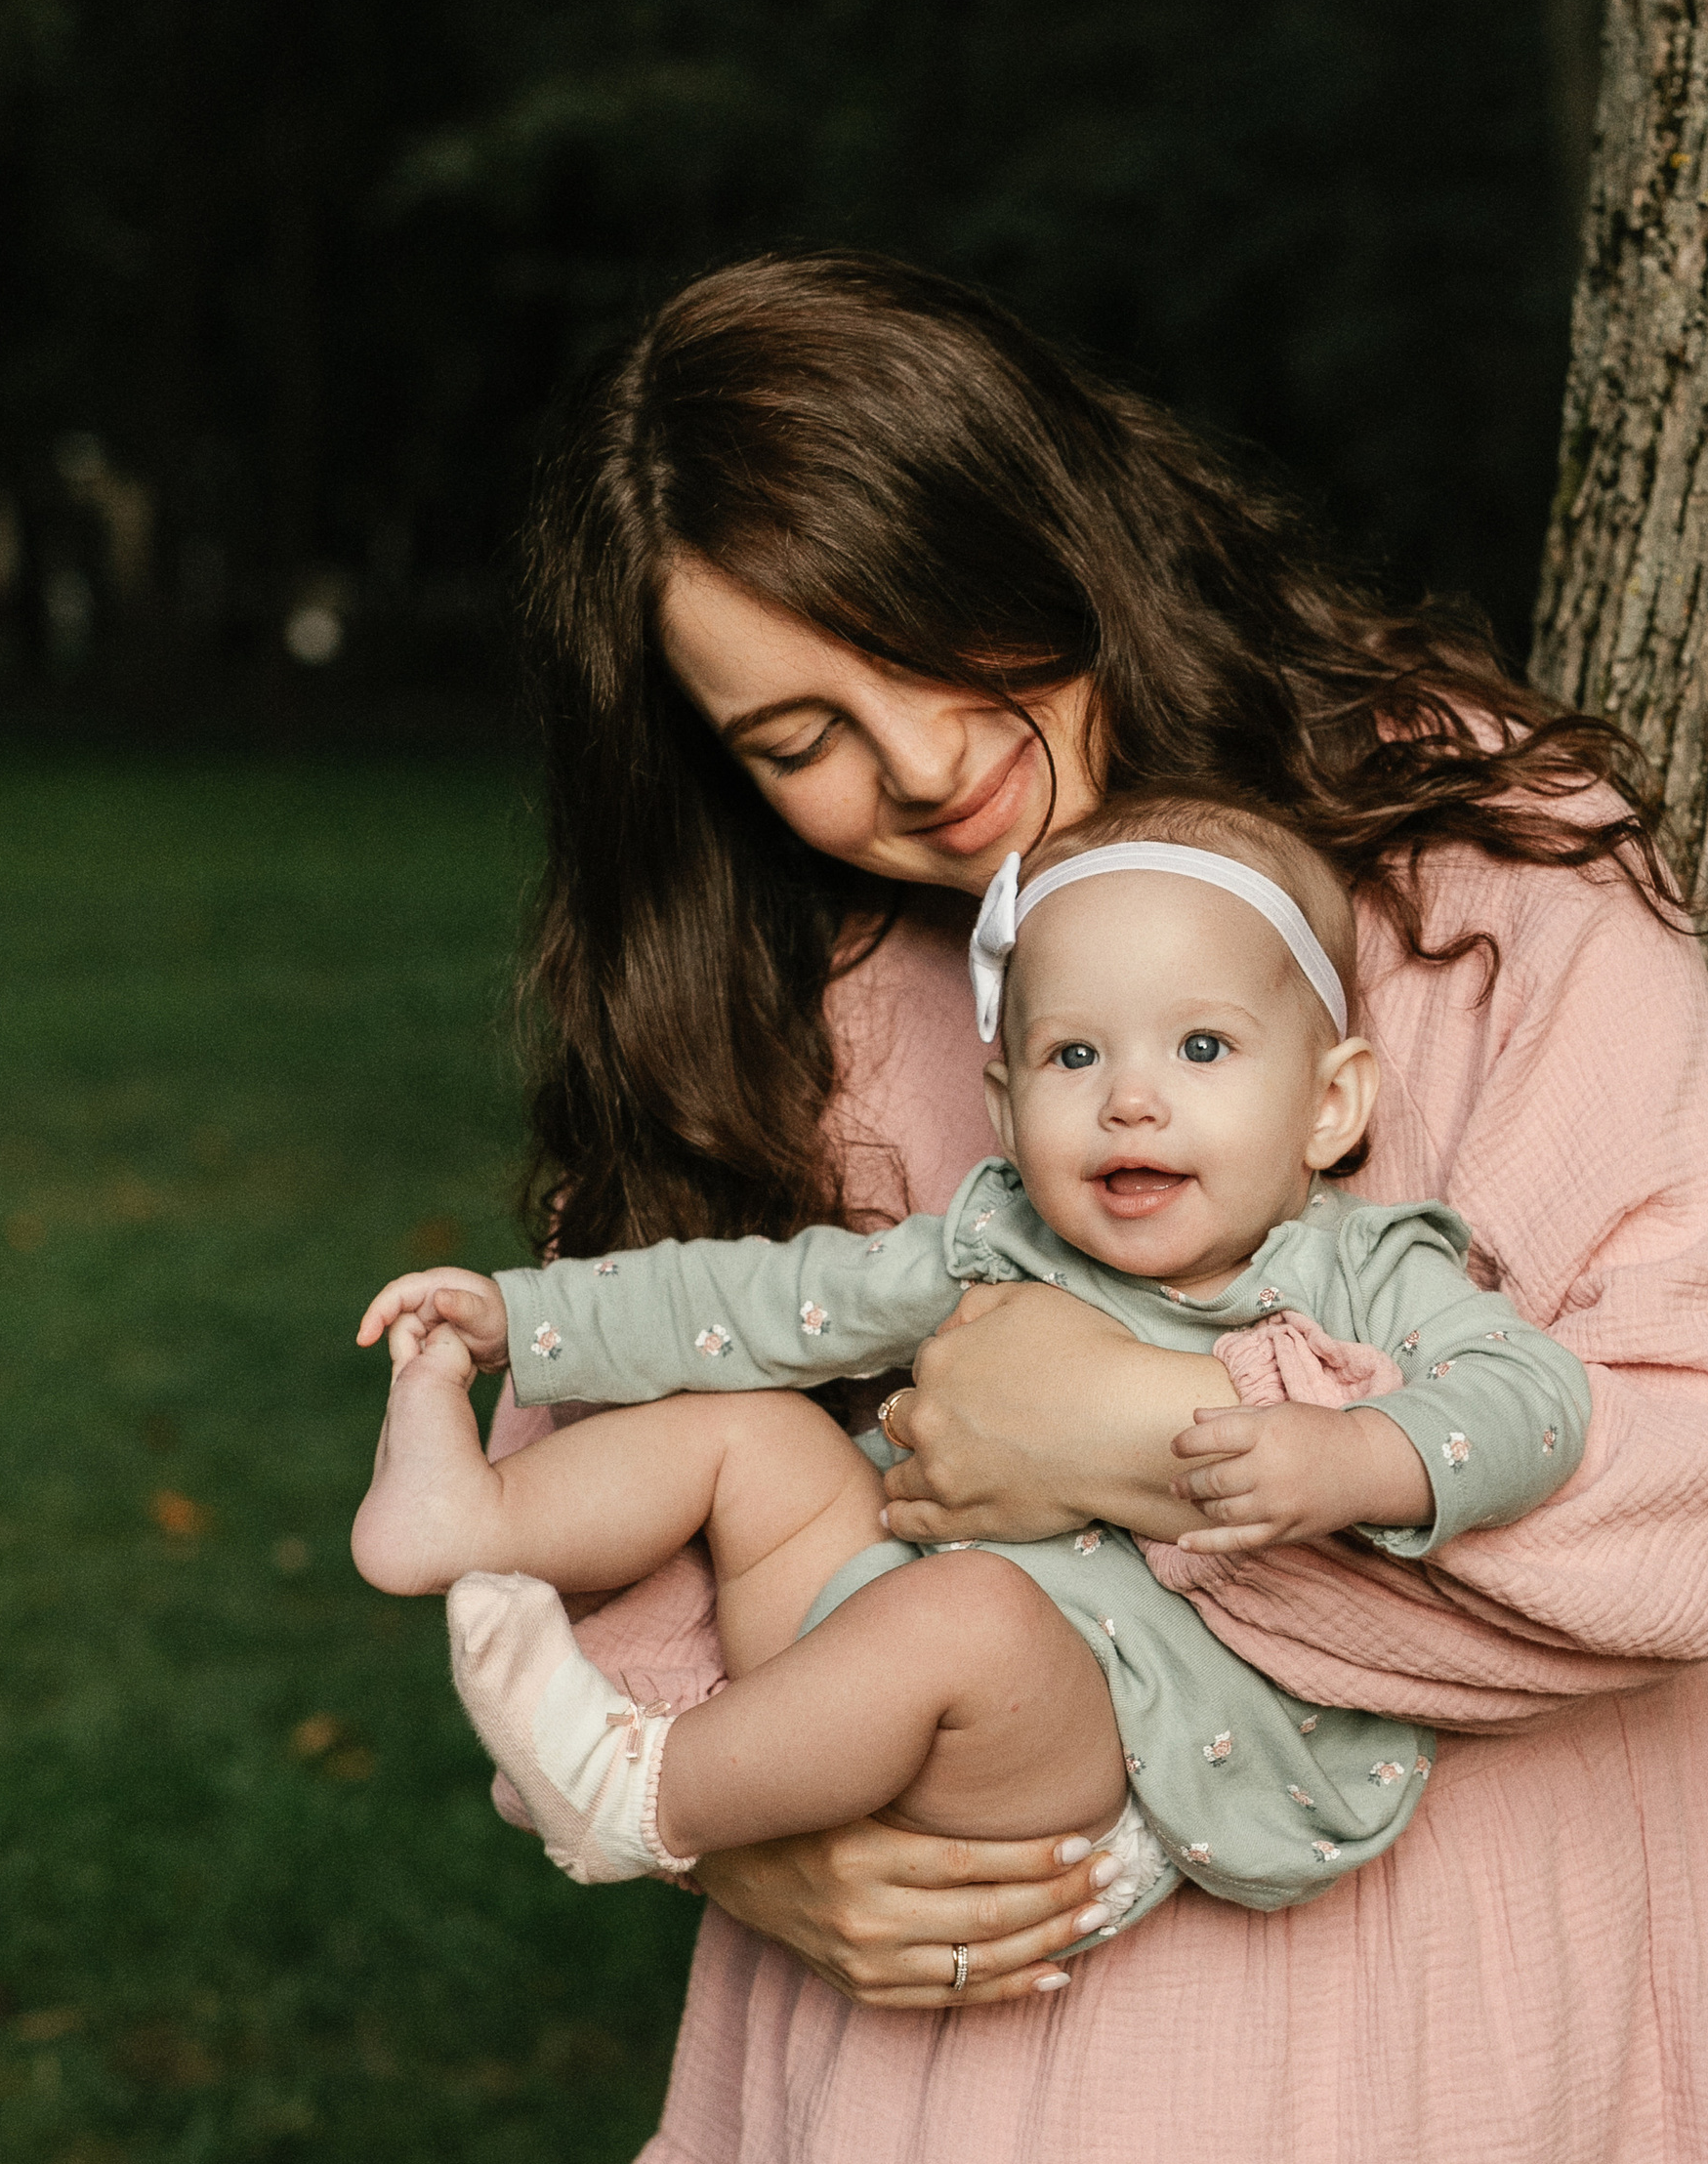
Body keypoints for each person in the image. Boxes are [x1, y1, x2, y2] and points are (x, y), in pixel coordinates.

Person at [328, 252, 1708, 2164]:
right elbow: (629, 1454)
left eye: (929, 650)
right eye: (794, 738)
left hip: (1417, 2000)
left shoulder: (1454, 870)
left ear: (1044, 520)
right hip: (958, 2010)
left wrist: (1154, 1453)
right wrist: (737, 1829)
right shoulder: (803, 974)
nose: (916, 768)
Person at [348, 801, 1587, 1923]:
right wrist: (521, 1316)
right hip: (861, 1648)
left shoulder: (1362, 1272)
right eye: (1074, 1056)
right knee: (756, 1429)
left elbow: (1532, 1401)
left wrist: (1367, 1457)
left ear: (1330, 1104)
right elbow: (760, 1296)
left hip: (1106, 1745)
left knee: (969, 1612)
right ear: (1002, 1106)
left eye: (1201, 1049)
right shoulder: (996, 1241)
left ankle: (639, 1797)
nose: (1130, 1102)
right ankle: (468, 1516)